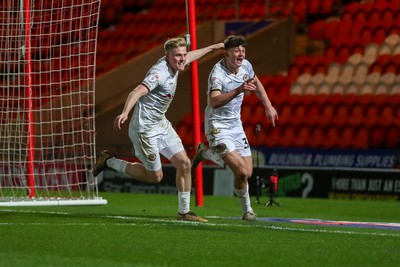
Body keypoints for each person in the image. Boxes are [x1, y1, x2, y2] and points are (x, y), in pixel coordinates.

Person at [93, 37, 224, 222]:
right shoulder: (160, 73)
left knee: (185, 163)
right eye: (178, 56)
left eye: (183, 55)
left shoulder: (177, 61)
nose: (182, 59)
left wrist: (213, 46)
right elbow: (137, 91)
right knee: (155, 177)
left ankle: (184, 212)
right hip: (144, 129)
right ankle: (110, 162)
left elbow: (191, 56)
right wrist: (124, 112)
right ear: (167, 56)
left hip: (160, 123)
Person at [192, 35, 278, 221]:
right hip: (218, 126)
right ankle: (247, 211)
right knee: (240, 171)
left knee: (247, 172)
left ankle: (205, 152)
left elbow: (256, 82)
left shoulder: (246, 65)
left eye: (243, 50)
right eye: (237, 50)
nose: (241, 54)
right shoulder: (218, 74)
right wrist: (238, 90)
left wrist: (268, 105)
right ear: (226, 53)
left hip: (236, 126)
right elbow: (214, 102)